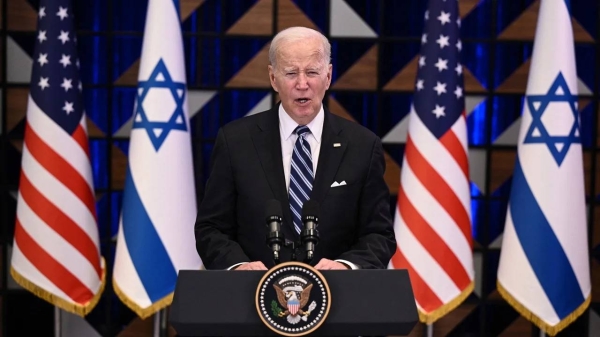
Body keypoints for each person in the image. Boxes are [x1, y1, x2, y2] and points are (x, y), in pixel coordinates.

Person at [194, 26, 395, 271]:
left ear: (328, 76)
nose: (302, 84)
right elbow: (211, 228)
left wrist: (345, 266)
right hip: (253, 297)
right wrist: (238, 267)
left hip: (337, 298)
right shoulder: (235, 141)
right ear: (273, 78)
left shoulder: (363, 146)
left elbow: (379, 234)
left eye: (312, 72)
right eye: (291, 73)